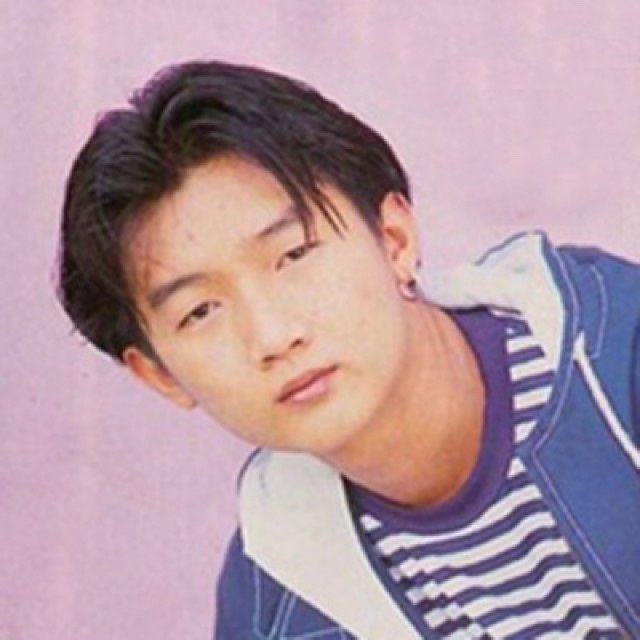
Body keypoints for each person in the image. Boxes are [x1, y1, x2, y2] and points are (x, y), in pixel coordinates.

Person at [57, 60, 640, 639]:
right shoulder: (274, 606)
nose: (273, 336)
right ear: (160, 375)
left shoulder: (617, 360)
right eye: (201, 311)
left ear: (395, 240)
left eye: (293, 255)